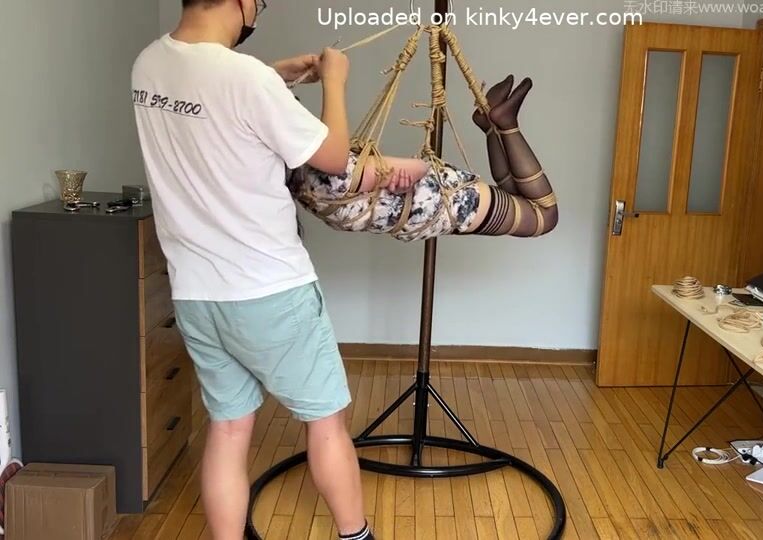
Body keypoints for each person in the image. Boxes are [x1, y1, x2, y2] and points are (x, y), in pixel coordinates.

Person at [130, 1, 372, 539]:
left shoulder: (147, 65)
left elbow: (208, 93)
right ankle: (356, 535)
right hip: (271, 290)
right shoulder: (245, 79)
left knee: (229, 427)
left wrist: (277, 73)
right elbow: (334, 157)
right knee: (326, 422)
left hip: (196, 294)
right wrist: (335, 82)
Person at [287, 75, 559, 241]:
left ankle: (496, 125)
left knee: (526, 204)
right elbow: (418, 167)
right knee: (544, 217)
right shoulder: (333, 167)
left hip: (441, 206)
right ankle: (501, 124)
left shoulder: (303, 185)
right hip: (449, 201)